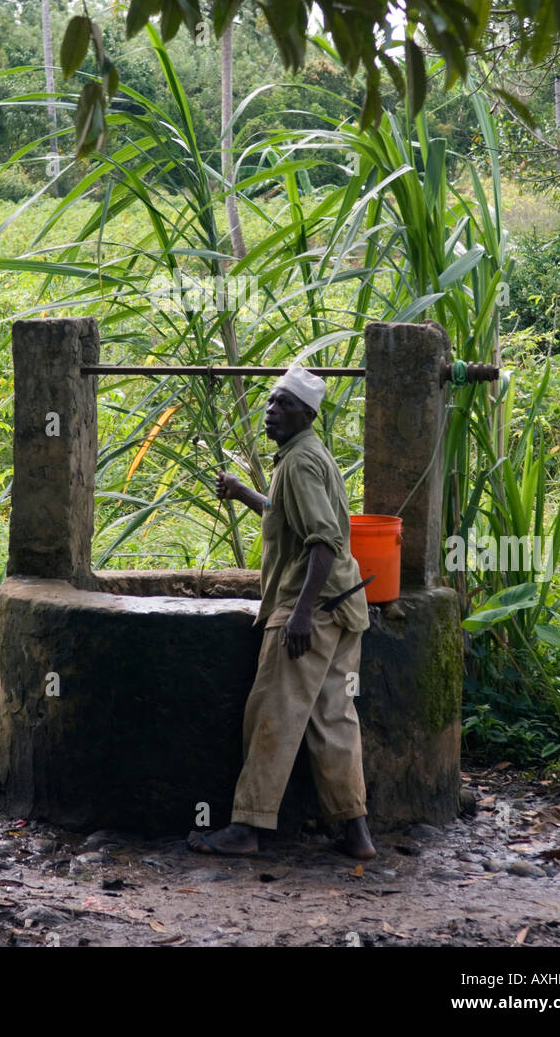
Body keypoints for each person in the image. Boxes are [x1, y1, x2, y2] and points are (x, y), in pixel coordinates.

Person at [188, 363, 375, 859]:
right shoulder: (307, 456)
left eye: (284, 404)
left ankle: (247, 827)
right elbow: (288, 516)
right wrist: (244, 492)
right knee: (332, 721)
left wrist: (299, 615)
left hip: (310, 608)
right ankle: (356, 834)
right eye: (271, 401)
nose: (271, 411)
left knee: (272, 713)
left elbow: (324, 540)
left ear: (308, 414)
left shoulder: (298, 463)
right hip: (343, 607)